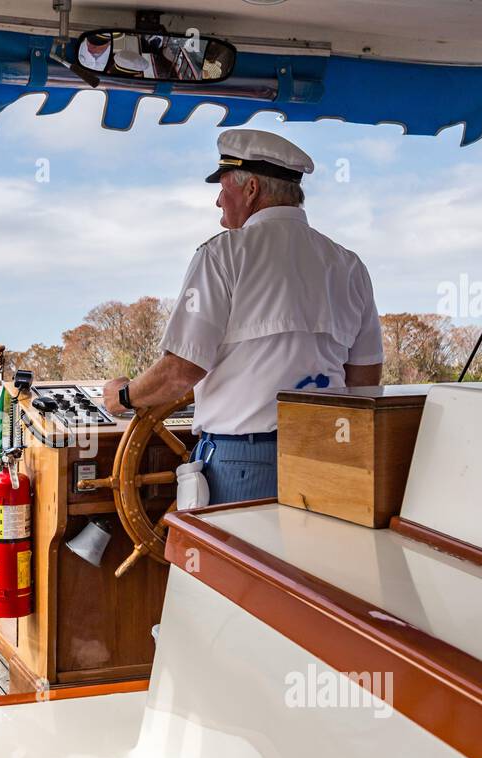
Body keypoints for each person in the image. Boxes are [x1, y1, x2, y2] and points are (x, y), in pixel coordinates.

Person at [102, 128, 383, 505]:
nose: (218, 201)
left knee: (237, 565)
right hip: (327, 456)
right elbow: (364, 382)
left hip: (245, 463)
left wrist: (123, 396)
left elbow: (182, 370)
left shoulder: (223, 255)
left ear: (251, 189)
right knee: (304, 564)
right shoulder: (348, 265)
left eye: (222, 187)